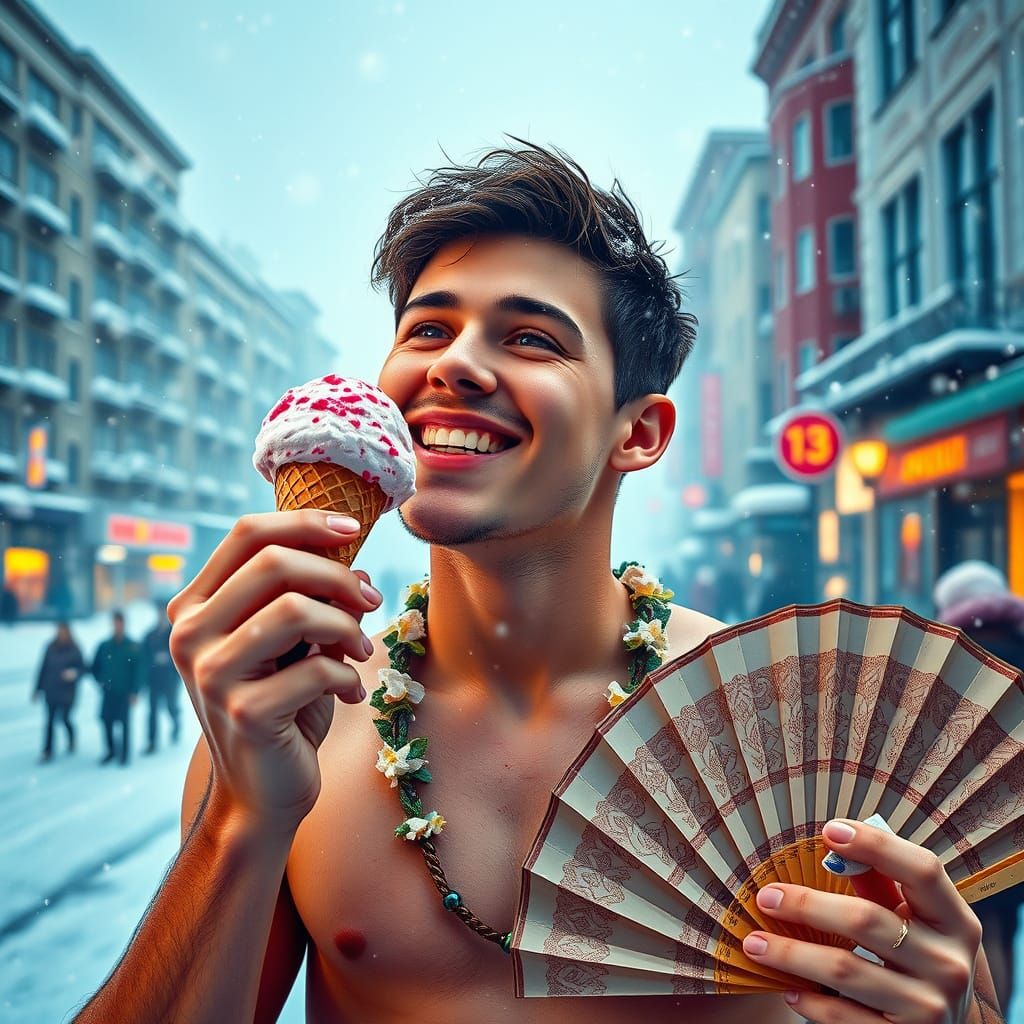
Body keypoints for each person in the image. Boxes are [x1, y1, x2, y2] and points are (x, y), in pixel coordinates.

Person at [74, 143, 1002, 1023]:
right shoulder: (295, 720)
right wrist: (242, 815)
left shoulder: (801, 725)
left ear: (637, 433)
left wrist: (954, 1011)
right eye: (428, 327)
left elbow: (945, 992)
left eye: (530, 338)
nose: (454, 364)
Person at [934, 560, 1024, 1013]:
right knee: (1004, 923)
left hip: (969, 810)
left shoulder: (957, 655)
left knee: (980, 925)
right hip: (1020, 810)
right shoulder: (1021, 644)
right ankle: (1002, 1014)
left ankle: (983, 1014)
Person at [90, 609, 143, 766]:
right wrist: (100, 681)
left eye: (120, 623)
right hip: (108, 692)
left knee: (124, 724)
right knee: (106, 721)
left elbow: (139, 670)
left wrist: (135, 691)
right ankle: (110, 751)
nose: (117, 626)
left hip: (125, 693)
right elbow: (94, 666)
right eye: (115, 623)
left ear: (124, 624)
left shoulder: (132, 647)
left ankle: (124, 755)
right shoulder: (104, 646)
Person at [31, 620, 85, 762]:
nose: (61, 634)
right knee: (49, 721)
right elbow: (42, 669)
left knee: (65, 718)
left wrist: (74, 673)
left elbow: (83, 668)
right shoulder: (50, 648)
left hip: (67, 692)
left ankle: (71, 738)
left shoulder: (75, 649)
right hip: (51, 690)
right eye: (59, 631)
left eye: (64, 631)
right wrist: (37, 689)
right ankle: (48, 750)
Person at [141, 600, 182, 754]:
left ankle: (176, 722)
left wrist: (168, 660)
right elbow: (143, 657)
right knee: (152, 711)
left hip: (170, 679)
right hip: (154, 680)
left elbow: (181, 656)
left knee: (170, 707)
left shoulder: (174, 634)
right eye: (158, 613)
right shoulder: (149, 636)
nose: (161, 617)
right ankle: (152, 742)